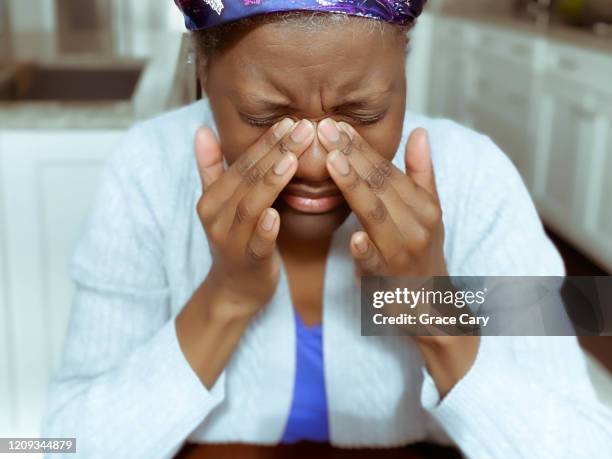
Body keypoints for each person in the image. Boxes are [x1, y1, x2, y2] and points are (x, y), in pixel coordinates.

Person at [42, 1, 612, 457]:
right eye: (265, 119)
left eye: (362, 115)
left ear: (404, 71)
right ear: (203, 72)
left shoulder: (473, 178)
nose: (315, 165)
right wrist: (228, 295)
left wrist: (425, 306)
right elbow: (62, 444)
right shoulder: (147, 170)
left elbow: (585, 443)